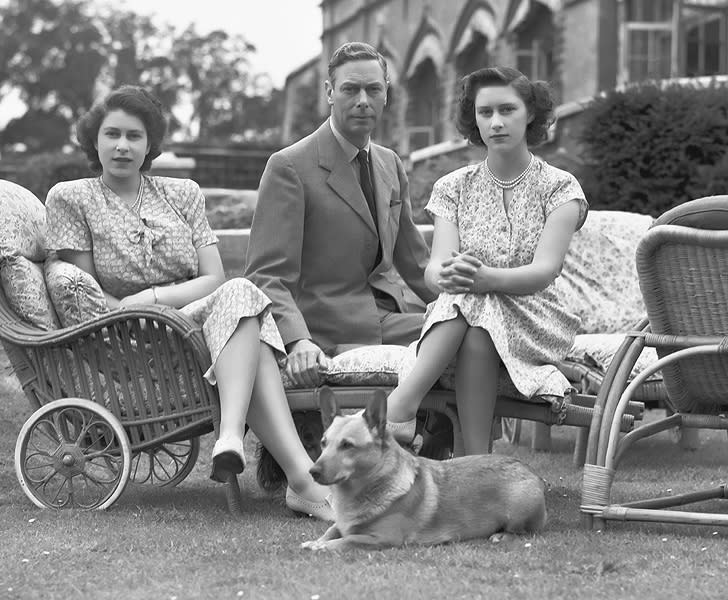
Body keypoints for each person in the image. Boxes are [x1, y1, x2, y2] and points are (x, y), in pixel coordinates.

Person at [43, 85, 332, 520]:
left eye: (135, 136)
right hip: (132, 330)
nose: (123, 146)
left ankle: (232, 436)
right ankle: (300, 479)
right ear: (93, 140)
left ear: (150, 144)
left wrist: (155, 294)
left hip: (193, 315)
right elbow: (87, 289)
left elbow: (213, 277)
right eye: (112, 134)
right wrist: (142, 306)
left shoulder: (182, 193)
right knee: (247, 330)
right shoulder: (71, 197)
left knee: (240, 292)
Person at [245, 42, 442, 480]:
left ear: (387, 93)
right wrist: (298, 341)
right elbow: (266, 274)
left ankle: (442, 455)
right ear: (329, 92)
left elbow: (415, 261)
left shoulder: (390, 163)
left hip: (391, 316)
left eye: (374, 89)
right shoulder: (290, 166)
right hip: (327, 325)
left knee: (468, 324)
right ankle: (428, 445)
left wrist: (457, 301)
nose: (363, 101)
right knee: (461, 333)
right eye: (351, 89)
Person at [385, 66, 588, 456]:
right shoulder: (453, 187)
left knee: (472, 301)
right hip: (464, 316)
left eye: (507, 110)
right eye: (485, 112)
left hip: (536, 317)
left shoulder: (560, 187)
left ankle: (401, 405)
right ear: (473, 118)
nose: (495, 122)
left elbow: (544, 272)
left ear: (530, 114)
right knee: (476, 323)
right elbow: (434, 271)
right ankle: (476, 465)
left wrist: (484, 277)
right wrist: (447, 273)